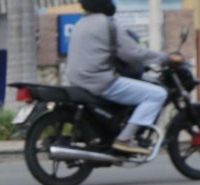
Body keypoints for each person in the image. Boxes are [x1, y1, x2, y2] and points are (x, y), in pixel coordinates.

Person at [66, 0, 183, 155]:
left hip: (79, 80)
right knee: (157, 94)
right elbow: (133, 53)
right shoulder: (108, 24)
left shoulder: (80, 23)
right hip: (99, 81)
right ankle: (125, 139)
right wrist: (166, 58)